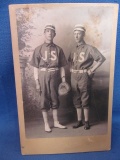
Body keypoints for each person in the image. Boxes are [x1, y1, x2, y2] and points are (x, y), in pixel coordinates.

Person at [29, 24, 67, 132]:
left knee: (55, 98)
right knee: (44, 99)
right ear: (44, 33)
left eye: (52, 32)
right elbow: (36, 67)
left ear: (54, 34)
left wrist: (63, 80)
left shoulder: (59, 49)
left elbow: (61, 67)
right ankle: (46, 124)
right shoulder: (38, 49)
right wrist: (37, 81)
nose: (50, 33)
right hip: (43, 75)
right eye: (48, 31)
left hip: (55, 76)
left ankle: (56, 122)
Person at [68, 24, 106, 130]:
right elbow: (70, 61)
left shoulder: (89, 48)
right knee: (76, 98)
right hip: (74, 75)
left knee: (85, 97)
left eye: (78, 33)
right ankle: (79, 121)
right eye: (75, 34)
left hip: (84, 75)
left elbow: (101, 59)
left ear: (83, 35)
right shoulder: (73, 49)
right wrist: (71, 69)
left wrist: (92, 69)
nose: (76, 36)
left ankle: (87, 122)